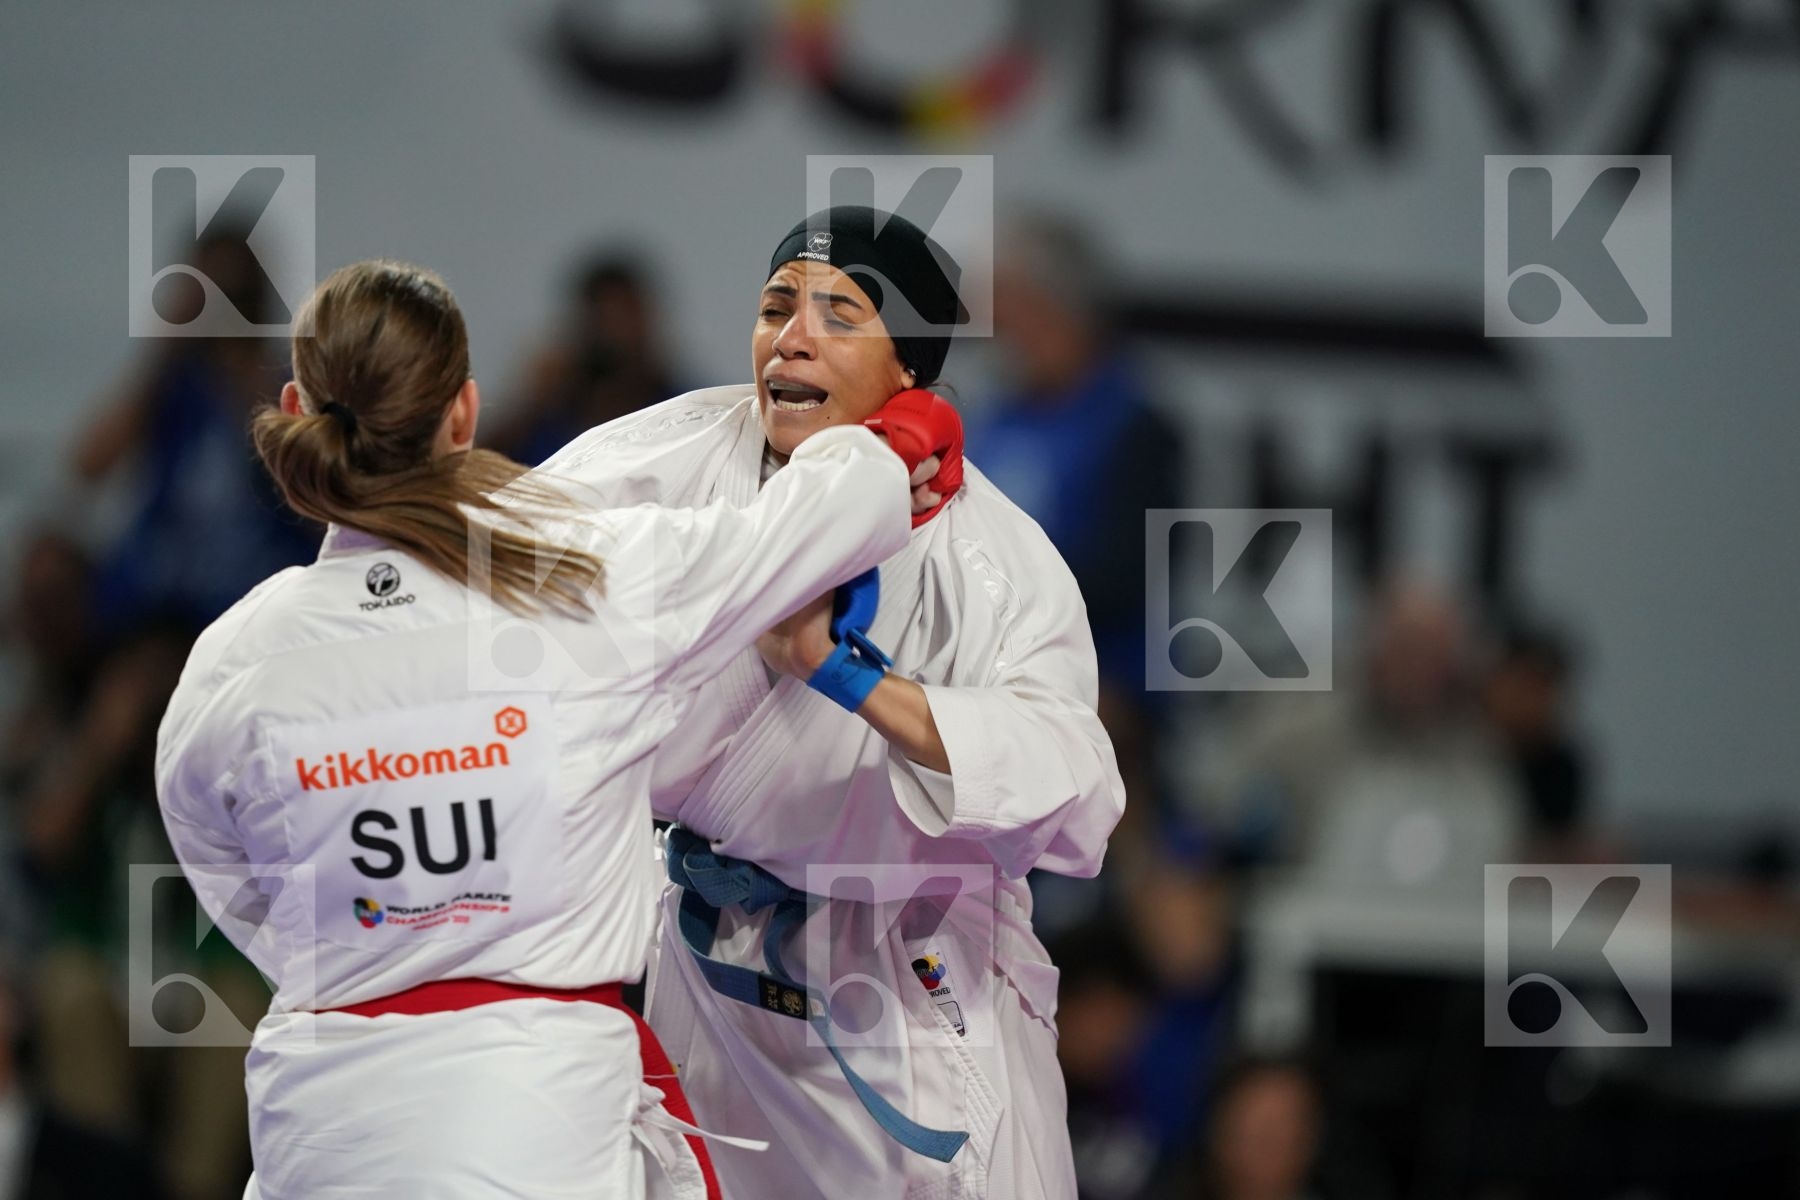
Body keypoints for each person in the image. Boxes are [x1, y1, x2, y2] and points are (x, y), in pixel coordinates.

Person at [154, 259, 937, 1198]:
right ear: (463, 413)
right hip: (537, 1116)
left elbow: (228, 874)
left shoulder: (234, 658)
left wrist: (384, 951)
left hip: (318, 1123)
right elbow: (814, 522)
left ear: (297, 404)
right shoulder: (582, 584)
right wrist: (893, 437)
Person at [537, 205, 1127, 1197]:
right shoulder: (670, 458)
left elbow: (1079, 798)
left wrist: (846, 676)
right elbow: (503, 568)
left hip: (913, 978)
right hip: (714, 964)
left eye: (840, 313)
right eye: (777, 307)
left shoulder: (994, 557)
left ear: (910, 371)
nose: (792, 336)